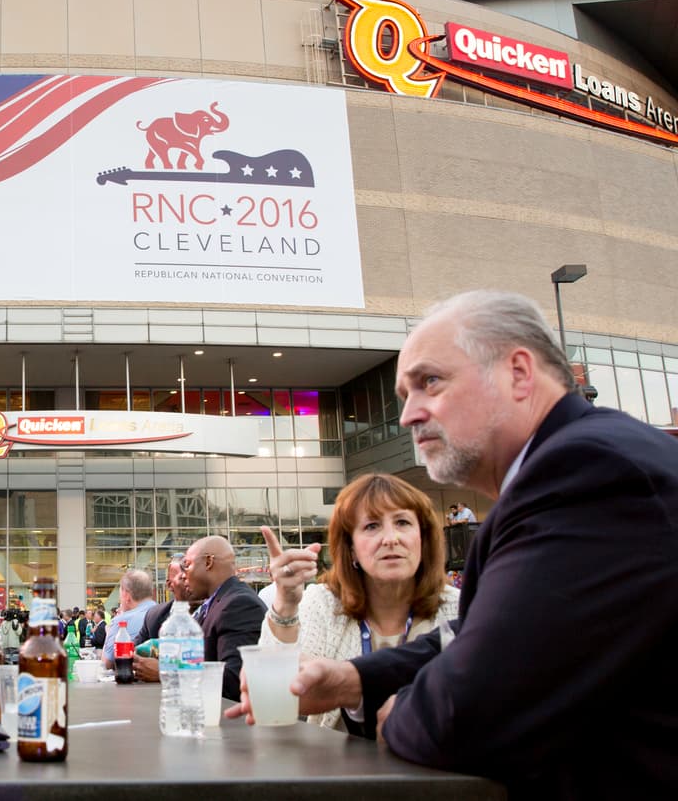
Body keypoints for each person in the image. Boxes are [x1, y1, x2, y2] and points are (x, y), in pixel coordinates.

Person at [228, 290, 678, 799]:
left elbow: (471, 712)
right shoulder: (566, 470)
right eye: (404, 394)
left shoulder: (588, 472)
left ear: (518, 373)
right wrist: (353, 678)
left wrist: (401, 714)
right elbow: (483, 635)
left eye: (430, 382)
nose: (408, 415)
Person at [258, 473, 460, 729]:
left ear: (423, 537)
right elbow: (271, 689)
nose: (391, 539)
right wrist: (286, 603)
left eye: (402, 522)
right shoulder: (323, 603)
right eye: (372, 526)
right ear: (351, 548)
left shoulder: (458, 607)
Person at [183, 535, 266, 701]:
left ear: (208, 562)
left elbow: (233, 681)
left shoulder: (240, 605)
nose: (183, 574)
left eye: (187, 565)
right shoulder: (216, 604)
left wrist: (173, 671)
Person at [132, 553, 194, 682]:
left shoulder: (213, 612)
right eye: (183, 577)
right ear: (169, 584)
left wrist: (165, 671)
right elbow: (131, 656)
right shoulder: (154, 616)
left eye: (192, 576)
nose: (189, 581)